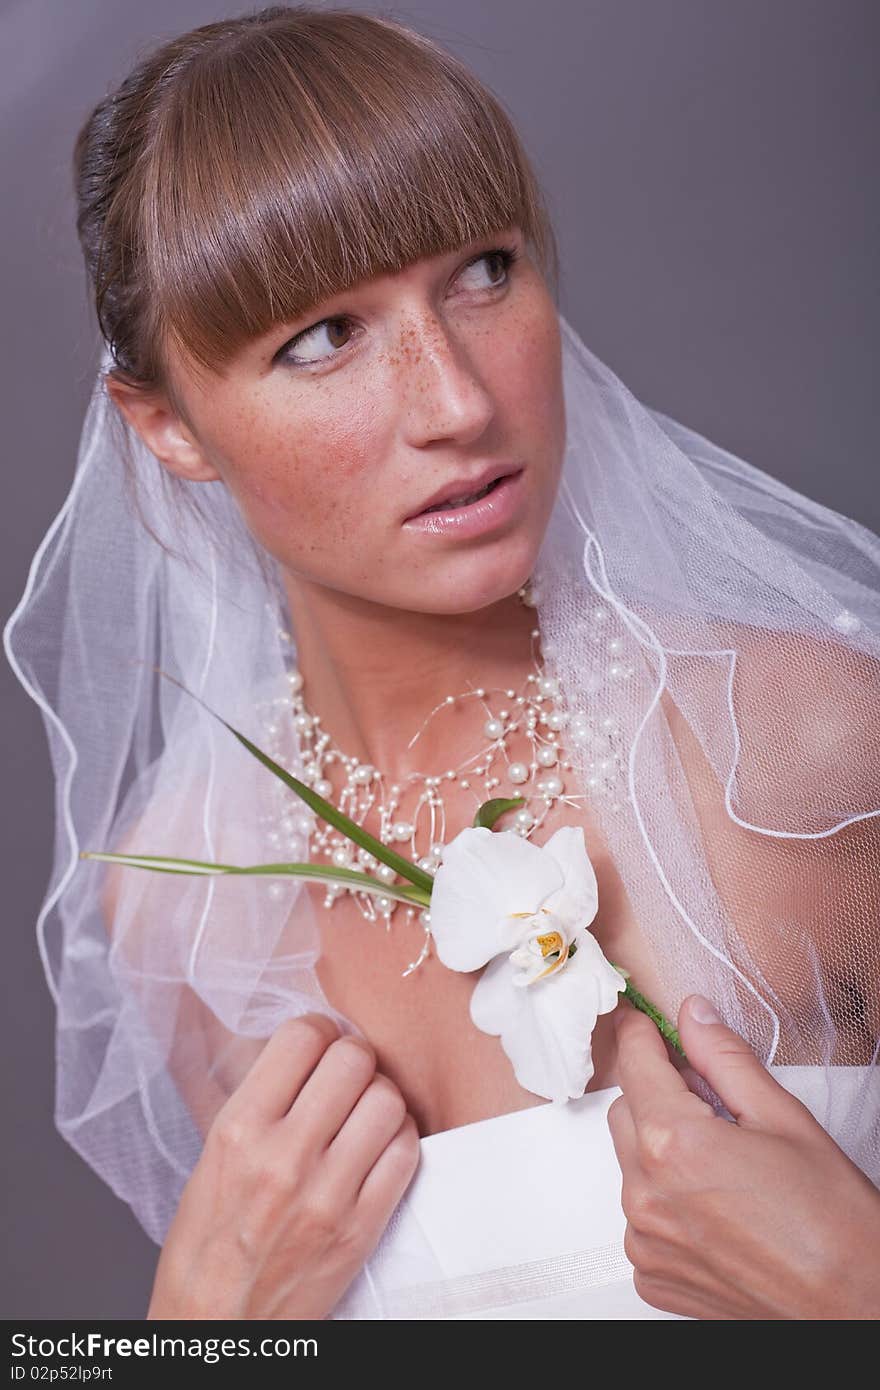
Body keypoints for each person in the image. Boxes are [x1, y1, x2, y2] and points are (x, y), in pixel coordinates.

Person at [5, 6, 880, 1320]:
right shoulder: (181, 913)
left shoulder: (809, 754)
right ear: (166, 424)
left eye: (483, 269)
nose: (461, 403)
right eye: (322, 337)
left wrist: (852, 1292)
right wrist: (199, 1329)